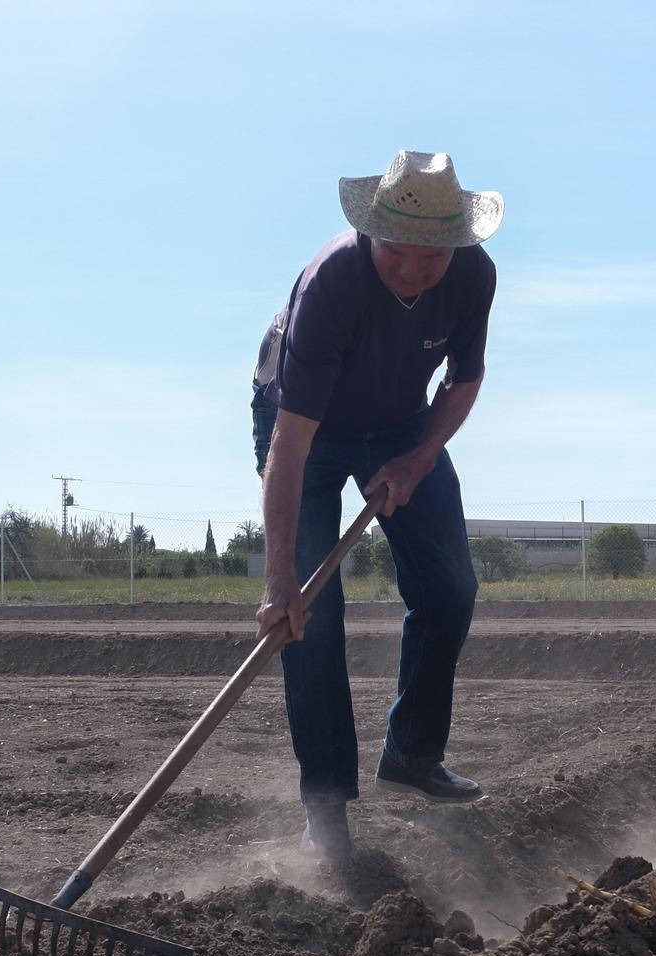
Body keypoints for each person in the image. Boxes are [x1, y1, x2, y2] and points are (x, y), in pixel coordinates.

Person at [251, 150, 501, 857]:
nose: (414, 270)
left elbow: (462, 381)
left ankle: (413, 754)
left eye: (434, 256)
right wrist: (279, 584)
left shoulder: (474, 275)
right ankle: (325, 805)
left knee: (451, 586)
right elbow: (291, 447)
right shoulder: (334, 283)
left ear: (457, 243)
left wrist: (419, 457)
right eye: (398, 251)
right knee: (309, 614)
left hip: (397, 421)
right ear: (372, 232)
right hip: (307, 426)